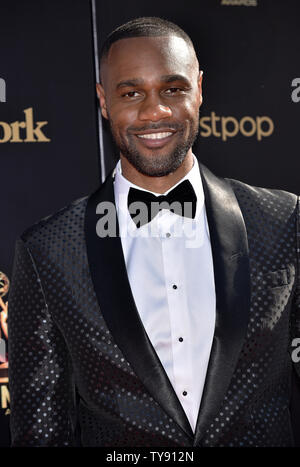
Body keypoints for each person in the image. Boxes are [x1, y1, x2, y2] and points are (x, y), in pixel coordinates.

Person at [8, 17, 300, 447]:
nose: (155, 111)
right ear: (104, 101)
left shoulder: (283, 220)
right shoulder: (49, 250)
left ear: (199, 89)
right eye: (131, 93)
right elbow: (42, 430)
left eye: (173, 89)